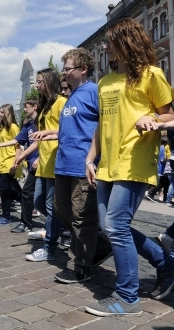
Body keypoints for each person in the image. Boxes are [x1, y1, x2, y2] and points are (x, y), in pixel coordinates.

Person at [85, 17, 174, 316]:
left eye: (109, 41)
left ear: (127, 41)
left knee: (116, 226)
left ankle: (127, 297)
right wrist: (90, 158)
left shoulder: (151, 74)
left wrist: (154, 120)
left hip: (135, 159)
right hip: (107, 163)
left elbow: (169, 115)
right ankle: (165, 263)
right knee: (110, 228)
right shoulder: (105, 82)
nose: (105, 47)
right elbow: (101, 125)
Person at [43, 48, 113, 284]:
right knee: (62, 210)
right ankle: (102, 246)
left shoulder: (94, 91)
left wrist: (93, 159)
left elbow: (104, 125)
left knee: (82, 217)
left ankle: (80, 266)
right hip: (63, 165)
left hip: (83, 166)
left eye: (67, 68)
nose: (63, 73)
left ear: (83, 69)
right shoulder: (70, 97)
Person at [16, 68, 66, 261]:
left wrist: (48, 133)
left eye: (39, 82)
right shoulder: (44, 107)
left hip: (56, 161)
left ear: (49, 81)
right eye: (36, 82)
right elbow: (38, 139)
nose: (36, 86)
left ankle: (50, 247)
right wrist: (24, 156)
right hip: (43, 162)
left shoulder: (62, 102)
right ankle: (63, 229)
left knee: (51, 206)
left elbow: (67, 129)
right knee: (38, 202)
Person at [0, 98, 39, 232]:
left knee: (7, 189)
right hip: (8, 163)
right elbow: (16, 141)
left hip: (14, 163)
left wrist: (17, 160)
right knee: (16, 191)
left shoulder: (15, 127)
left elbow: (17, 145)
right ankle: (23, 214)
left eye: (2, 112)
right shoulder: (19, 127)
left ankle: (9, 215)